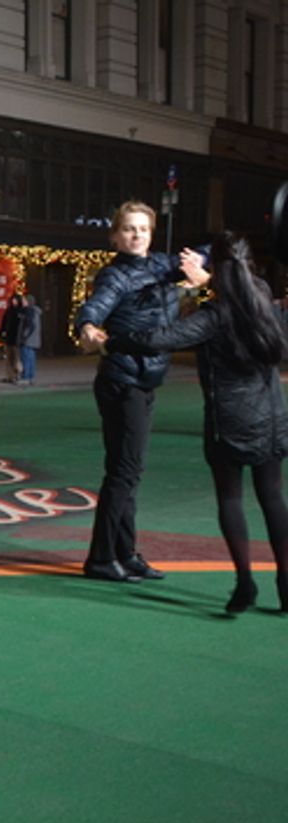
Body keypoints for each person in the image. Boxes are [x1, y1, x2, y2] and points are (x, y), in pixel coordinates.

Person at [100, 232, 288, 613]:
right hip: (272, 415)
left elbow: (159, 338)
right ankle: (286, 584)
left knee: (231, 499)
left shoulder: (215, 316)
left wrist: (111, 340)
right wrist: (212, 281)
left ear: (213, 266)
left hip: (230, 420)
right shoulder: (263, 294)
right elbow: (243, 288)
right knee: (272, 499)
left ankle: (245, 583)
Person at [75, 200, 207, 583]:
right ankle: (101, 558)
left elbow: (207, 254)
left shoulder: (161, 265)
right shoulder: (115, 276)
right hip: (123, 381)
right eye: (129, 229)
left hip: (146, 380)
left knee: (130, 471)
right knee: (123, 472)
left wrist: (200, 264)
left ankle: (125, 553)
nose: (136, 235)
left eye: (143, 229)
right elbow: (94, 308)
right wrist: (87, 327)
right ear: (116, 235)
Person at [17, 292, 42, 386]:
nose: (22, 302)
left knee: (25, 358)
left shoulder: (28, 311)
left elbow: (30, 325)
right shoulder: (36, 311)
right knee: (31, 358)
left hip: (28, 340)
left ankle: (25, 377)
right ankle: (30, 376)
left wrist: (24, 336)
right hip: (34, 340)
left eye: (24, 300)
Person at [0, 293, 23, 383]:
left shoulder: (20, 312)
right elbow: (4, 323)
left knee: (16, 358)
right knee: (8, 358)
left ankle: (17, 376)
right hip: (9, 338)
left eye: (15, 300)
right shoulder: (8, 311)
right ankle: (10, 376)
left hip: (17, 339)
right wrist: (1, 332)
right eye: (12, 300)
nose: (13, 302)